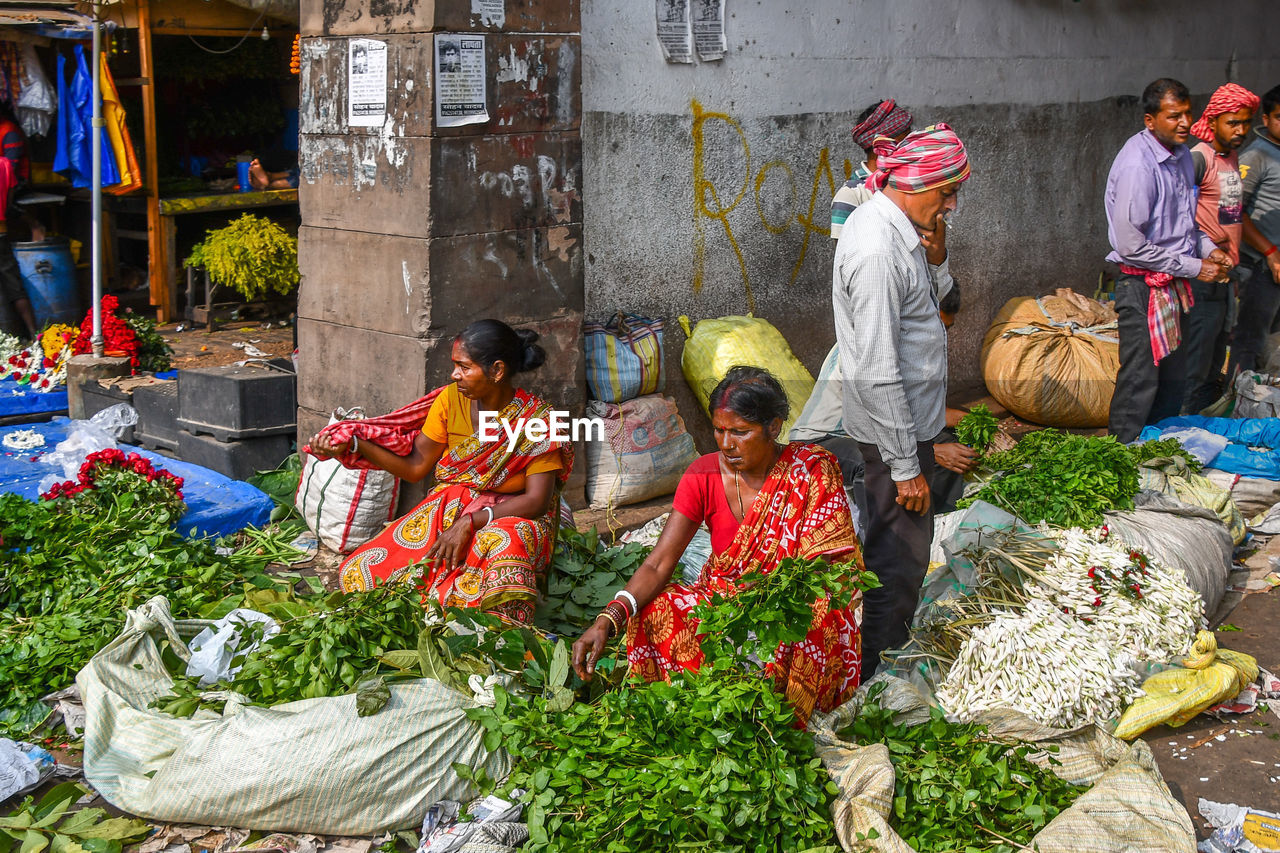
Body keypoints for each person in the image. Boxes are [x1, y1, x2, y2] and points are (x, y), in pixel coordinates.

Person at [571, 367, 864, 728]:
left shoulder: (812, 472)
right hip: (727, 605)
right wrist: (608, 618)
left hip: (791, 613)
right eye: (719, 430)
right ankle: (694, 711)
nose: (726, 444)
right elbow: (659, 563)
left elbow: (831, 571)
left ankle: (783, 723)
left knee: (815, 619)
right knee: (657, 609)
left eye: (741, 432)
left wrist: (772, 605)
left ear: (773, 427)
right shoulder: (703, 474)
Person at [308, 319, 571, 625]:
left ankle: (499, 634)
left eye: (464, 366)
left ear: (497, 371)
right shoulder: (450, 400)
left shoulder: (538, 419)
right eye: (455, 365)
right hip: (448, 510)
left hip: (511, 518)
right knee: (361, 575)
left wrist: (471, 521)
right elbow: (415, 467)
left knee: (501, 555)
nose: (454, 374)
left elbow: (538, 500)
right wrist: (356, 444)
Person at [832, 123, 970, 679]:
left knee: (900, 554)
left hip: (909, 431)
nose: (952, 205)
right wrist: (907, 465)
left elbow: (932, 306)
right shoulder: (876, 248)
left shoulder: (902, 233)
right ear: (916, 183)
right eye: (947, 192)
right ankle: (873, 681)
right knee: (898, 562)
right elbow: (876, 368)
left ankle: (878, 664)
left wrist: (937, 259)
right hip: (895, 438)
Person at [1105, 78, 1233, 443]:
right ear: (1150, 120)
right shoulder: (1138, 165)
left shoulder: (1180, 156)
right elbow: (1131, 245)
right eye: (1173, 116)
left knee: (1175, 381)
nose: (1184, 123)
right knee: (1140, 381)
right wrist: (1196, 266)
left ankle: (1156, 451)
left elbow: (1183, 226)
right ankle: (1121, 454)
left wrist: (1208, 249)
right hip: (1143, 287)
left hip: (1173, 286)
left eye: (1188, 114)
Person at [789, 279, 977, 521]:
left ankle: (940, 521)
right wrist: (933, 451)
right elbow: (874, 424)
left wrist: (971, 422)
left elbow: (917, 411)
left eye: (946, 330)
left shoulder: (905, 347)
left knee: (950, 443)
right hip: (822, 442)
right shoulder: (870, 347)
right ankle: (887, 538)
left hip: (870, 432)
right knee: (889, 460)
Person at [1182, 83, 1261, 412]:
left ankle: (1201, 424)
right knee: (1196, 362)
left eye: (1244, 122)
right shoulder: (1199, 158)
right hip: (1203, 277)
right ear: (1212, 121)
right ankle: (1180, 424)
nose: (1240, 130)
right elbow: (1180, 216)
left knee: (1215, 360)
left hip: (1225, 278)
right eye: (1233, 123)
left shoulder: (1230, 158)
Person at [1227, 84, 1280, 378]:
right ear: (1266, 119)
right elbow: (1234, 213)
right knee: (1250, 340)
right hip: (1260, 266)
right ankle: (1239, 404)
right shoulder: (1256, 157)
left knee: (1274, 343)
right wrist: (1270, 253)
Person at [830, 99, 913, 241]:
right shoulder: (851, 195)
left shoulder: (908, 186)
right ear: (879, 146)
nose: (910, 147)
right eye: (903, 141)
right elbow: (844, 257)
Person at [0, 155, 35, 338]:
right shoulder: (5, 163)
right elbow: (9, 200)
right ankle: (32, 333)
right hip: (2, 231)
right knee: (14, 286)